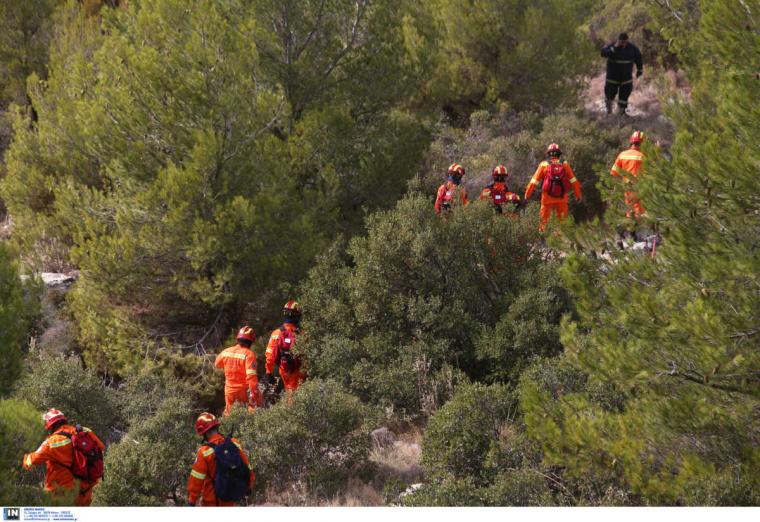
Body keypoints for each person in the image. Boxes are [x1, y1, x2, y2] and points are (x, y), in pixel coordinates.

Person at [22, 409, 105, 506]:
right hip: (84, 492)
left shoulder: (51, 442)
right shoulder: (86, 431)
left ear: (50, 426)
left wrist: (25, 459)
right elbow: (101, 448)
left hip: (62, 494)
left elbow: (32, 461)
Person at [187, 412, 254, 507]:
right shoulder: (234, 443)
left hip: (211, 502)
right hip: (231, 500)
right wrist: (248, 488)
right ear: (216, 427)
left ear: (204, 433)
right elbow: (248, 469)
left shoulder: (204, 452)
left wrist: (191, 501)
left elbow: (196, 480)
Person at [524, 143, 582, 232]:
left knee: (544, 222)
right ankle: (560, 242)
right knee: (562, 223)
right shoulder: (565, 165)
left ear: (548, 154)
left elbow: (534, 181)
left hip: (547, 199)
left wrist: (527, 194)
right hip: (562, 199)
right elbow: (573, 181)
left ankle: (543, 240)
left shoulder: (544, 165)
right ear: (559, 153)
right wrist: (578, 195)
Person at [215, 326, 263, 415]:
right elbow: (252, 377)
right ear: (251, 341)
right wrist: (255, 394)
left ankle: (228, 428)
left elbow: (217, 364)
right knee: (251, 412)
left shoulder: (226, 351)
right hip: (243, 390)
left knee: (229, 415)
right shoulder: (249, 354)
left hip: (229, 390)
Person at [264, 300, 305, 396]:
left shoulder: (276, 333)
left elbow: (269, 356)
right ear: (297, 316)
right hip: (299, 371)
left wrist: (269, 372)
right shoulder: (302, 334)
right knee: (294, 396)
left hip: (284, 370)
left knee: (290, 392)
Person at [601, 32, 643, 115]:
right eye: (621, 42)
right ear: (618, 40)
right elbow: (603, 53)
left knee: (625, 94)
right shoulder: (612, 46)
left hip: (626, 78)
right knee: (610, 94)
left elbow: (638, 58)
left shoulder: (632, 48)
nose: (623, 44)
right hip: (612, 77)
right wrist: (614, 48)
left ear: (627, 40)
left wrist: (639, 70)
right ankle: (609, 111)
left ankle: (622, 112)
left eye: (625, 42)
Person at [611, 130, 646, 218]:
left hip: (626, 187)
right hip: (639, 187)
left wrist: (617, 185)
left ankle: (631, 230)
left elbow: (614, 172)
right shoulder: (643, 156)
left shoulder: (622, 155)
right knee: (639, 210)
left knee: (630, 209)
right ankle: (637, 229)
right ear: (642, 142)